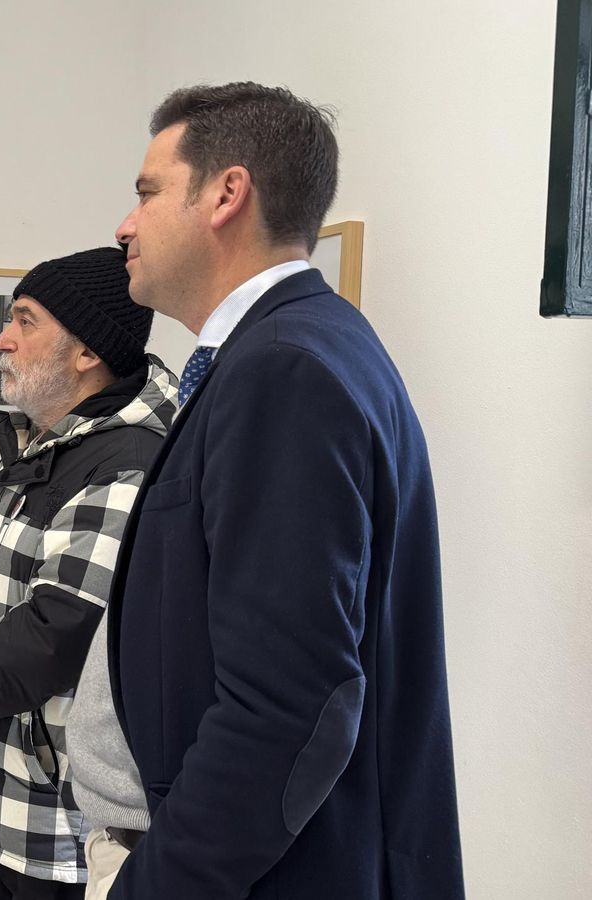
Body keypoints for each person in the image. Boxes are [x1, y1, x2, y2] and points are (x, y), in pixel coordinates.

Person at [107, 82, 464, 899]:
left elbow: (287, 708)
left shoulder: (285, 369)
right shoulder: (303, 346)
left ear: (227, 194)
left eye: (146, 193)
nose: (125, 225)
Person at [0, 248, 171, 899]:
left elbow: (52, 638)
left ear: (86, 352)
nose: (2, 338)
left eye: (25, 320)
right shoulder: (35, 444)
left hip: (55, 829)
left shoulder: (128, 460)